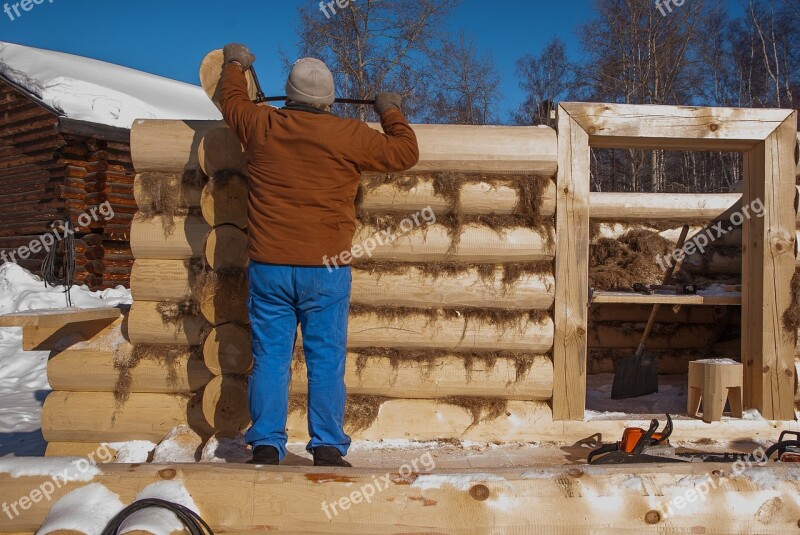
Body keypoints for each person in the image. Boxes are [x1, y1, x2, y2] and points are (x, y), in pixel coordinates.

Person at [219, 44, 419, 466]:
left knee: (271, 358)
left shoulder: (261, 123)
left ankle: (268, 444)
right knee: (325, 359)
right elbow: (405, 152)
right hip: (326, 271)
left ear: (288, 96)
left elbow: (231, 99)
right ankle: (327, 444)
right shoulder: (348, 134)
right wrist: (390, 110)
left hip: (270, 267)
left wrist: (235, 63)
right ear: (328, 100)